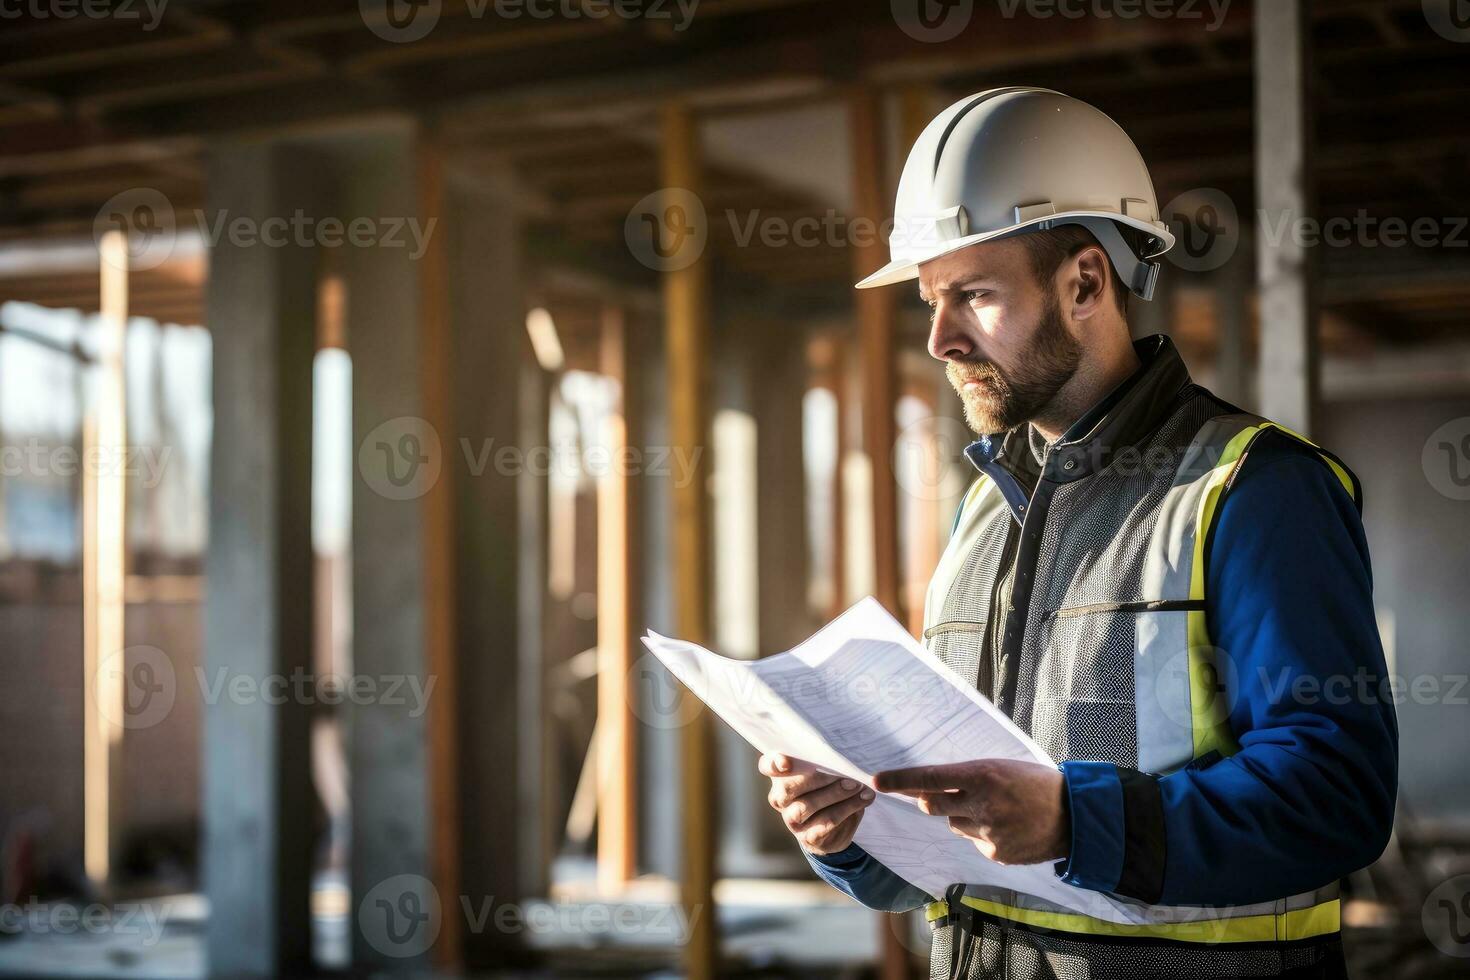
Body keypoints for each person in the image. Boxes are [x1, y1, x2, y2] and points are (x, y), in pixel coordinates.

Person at [757, 88, 1397, 980]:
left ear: (1086, 282)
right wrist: (855, 831)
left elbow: (1336, 800)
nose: (939, 339)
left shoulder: (1256, 488)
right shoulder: (983, 508)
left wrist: (1072, 821)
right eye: (932, 300)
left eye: (973, 295)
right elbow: (962, 836)